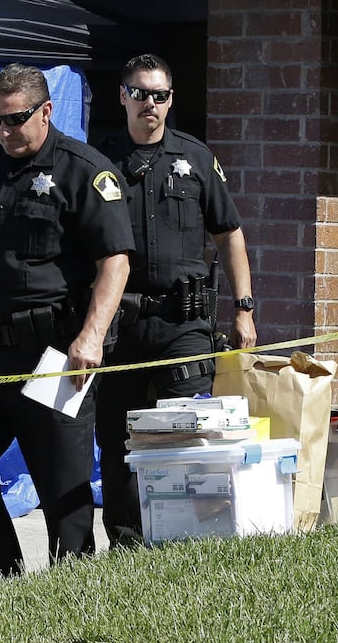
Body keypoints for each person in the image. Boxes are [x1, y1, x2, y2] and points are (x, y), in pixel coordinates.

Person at [0, 63, 132, 580]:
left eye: (15, 119)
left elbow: (116, 261)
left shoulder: (84, 169)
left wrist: (92, 336)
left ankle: (72, 595)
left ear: (46, 110)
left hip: (54, 351)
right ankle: (1, 587)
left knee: (63, 488)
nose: (5, 130)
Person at [94, 53, 258, 548]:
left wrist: (244, 308)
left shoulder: (197, 159)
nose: (150, 103)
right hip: (121, 326)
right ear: (122, 96)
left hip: (183, 324)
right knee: (119, 439)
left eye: (160, 95)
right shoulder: (99, 161)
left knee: (186, 434)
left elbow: (230, 235)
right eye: (140, 93)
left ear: (171, 99)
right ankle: (127, 548)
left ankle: (188, 543)